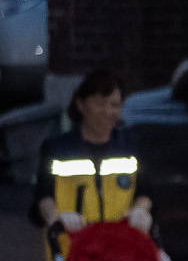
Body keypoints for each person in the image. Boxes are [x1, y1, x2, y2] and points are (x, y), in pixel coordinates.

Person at [34, 68, 154, 241]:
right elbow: (43, 196)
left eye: (114, 105)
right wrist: (56, 216)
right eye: (99, 103)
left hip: (121, 247)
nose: (107, 111)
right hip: (71, 246)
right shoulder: (57, 149)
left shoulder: (131, 146)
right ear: (81, 105)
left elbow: (145, 191)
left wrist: (140, 210)